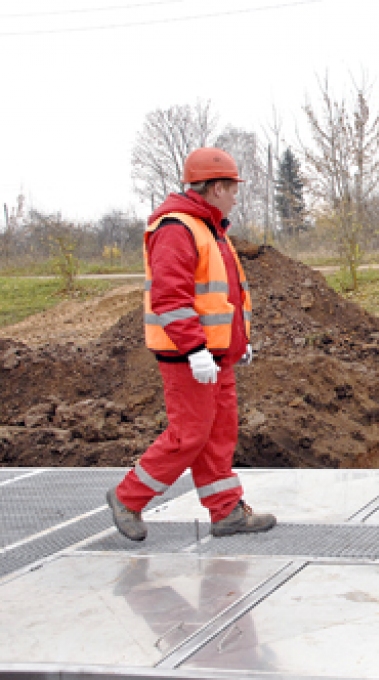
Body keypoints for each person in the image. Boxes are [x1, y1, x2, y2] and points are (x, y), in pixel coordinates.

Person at [106, 147, 276, 541]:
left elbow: (220, 296)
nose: (236, 198)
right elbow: (170, 298)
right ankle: (127, 498)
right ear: (216, 188)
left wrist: (236, 343)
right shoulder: (176, 228)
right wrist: (195, 349)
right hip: (188, 356)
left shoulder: (209, 229)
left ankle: (226, 511)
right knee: (190, 435)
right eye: (233, 190)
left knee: (219, 433)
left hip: (215, 355)